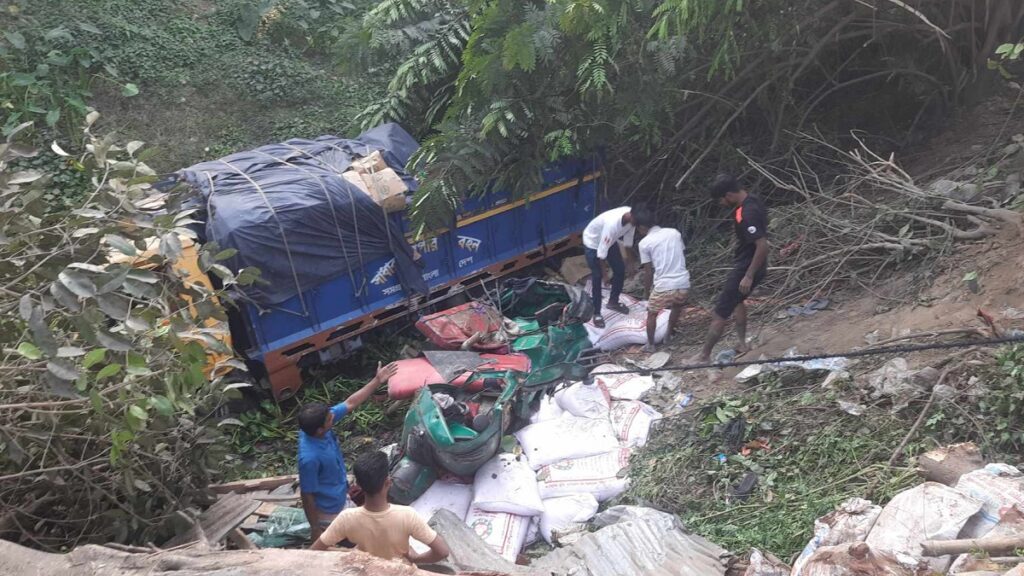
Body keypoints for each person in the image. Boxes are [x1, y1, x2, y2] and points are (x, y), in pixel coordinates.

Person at [298, 361, 398, 543]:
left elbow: (350, 403)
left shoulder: (316, 427)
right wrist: (315, 528)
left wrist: (377, 380)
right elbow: (307, 495)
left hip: (340, 493)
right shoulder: (309, 459)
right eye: (330, 419)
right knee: (360, 541)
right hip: (330, 510)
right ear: (320, 430)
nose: (333, 417)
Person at [311, 451, 451, 565]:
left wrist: (348, 553)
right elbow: (442, 551)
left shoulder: (346, 518)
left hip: (366, 569)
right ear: (388, 482)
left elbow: (315, 550)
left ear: (358, 484)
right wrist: (415, 559)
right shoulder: (407, 515)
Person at [690, 174, 769, 363]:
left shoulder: (746, 213)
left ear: (729, 195)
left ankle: (703, 356)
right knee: (737, 300)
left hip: (746, 267)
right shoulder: (754, 201)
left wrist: (748, 275)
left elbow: (763, 245)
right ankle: (742, 343)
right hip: (753, 264)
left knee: (720, 312)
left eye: (722, 200)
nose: (722, 204)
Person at [582, 205, 654, 327]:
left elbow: (627, 243)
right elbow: (601, 255)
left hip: (609, 241)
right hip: (593, 243)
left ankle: (613, 302)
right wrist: (605, 275)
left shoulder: (632, 220)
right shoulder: (612, 225)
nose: (636, 227)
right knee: (597, 277)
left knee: (620, 270)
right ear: (631, 217)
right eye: (636, 224)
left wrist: (630, 265)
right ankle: (597, 313)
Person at [638, 221, 690, 353]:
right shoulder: (674, 232)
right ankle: (668, 335)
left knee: (652, 313)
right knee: (676, 307)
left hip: (663, 285)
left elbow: (648, 271)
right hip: (683, 282)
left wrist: (646, 294)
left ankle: (650, 345)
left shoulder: (644, 243)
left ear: (642, 227)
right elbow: (681, 254)